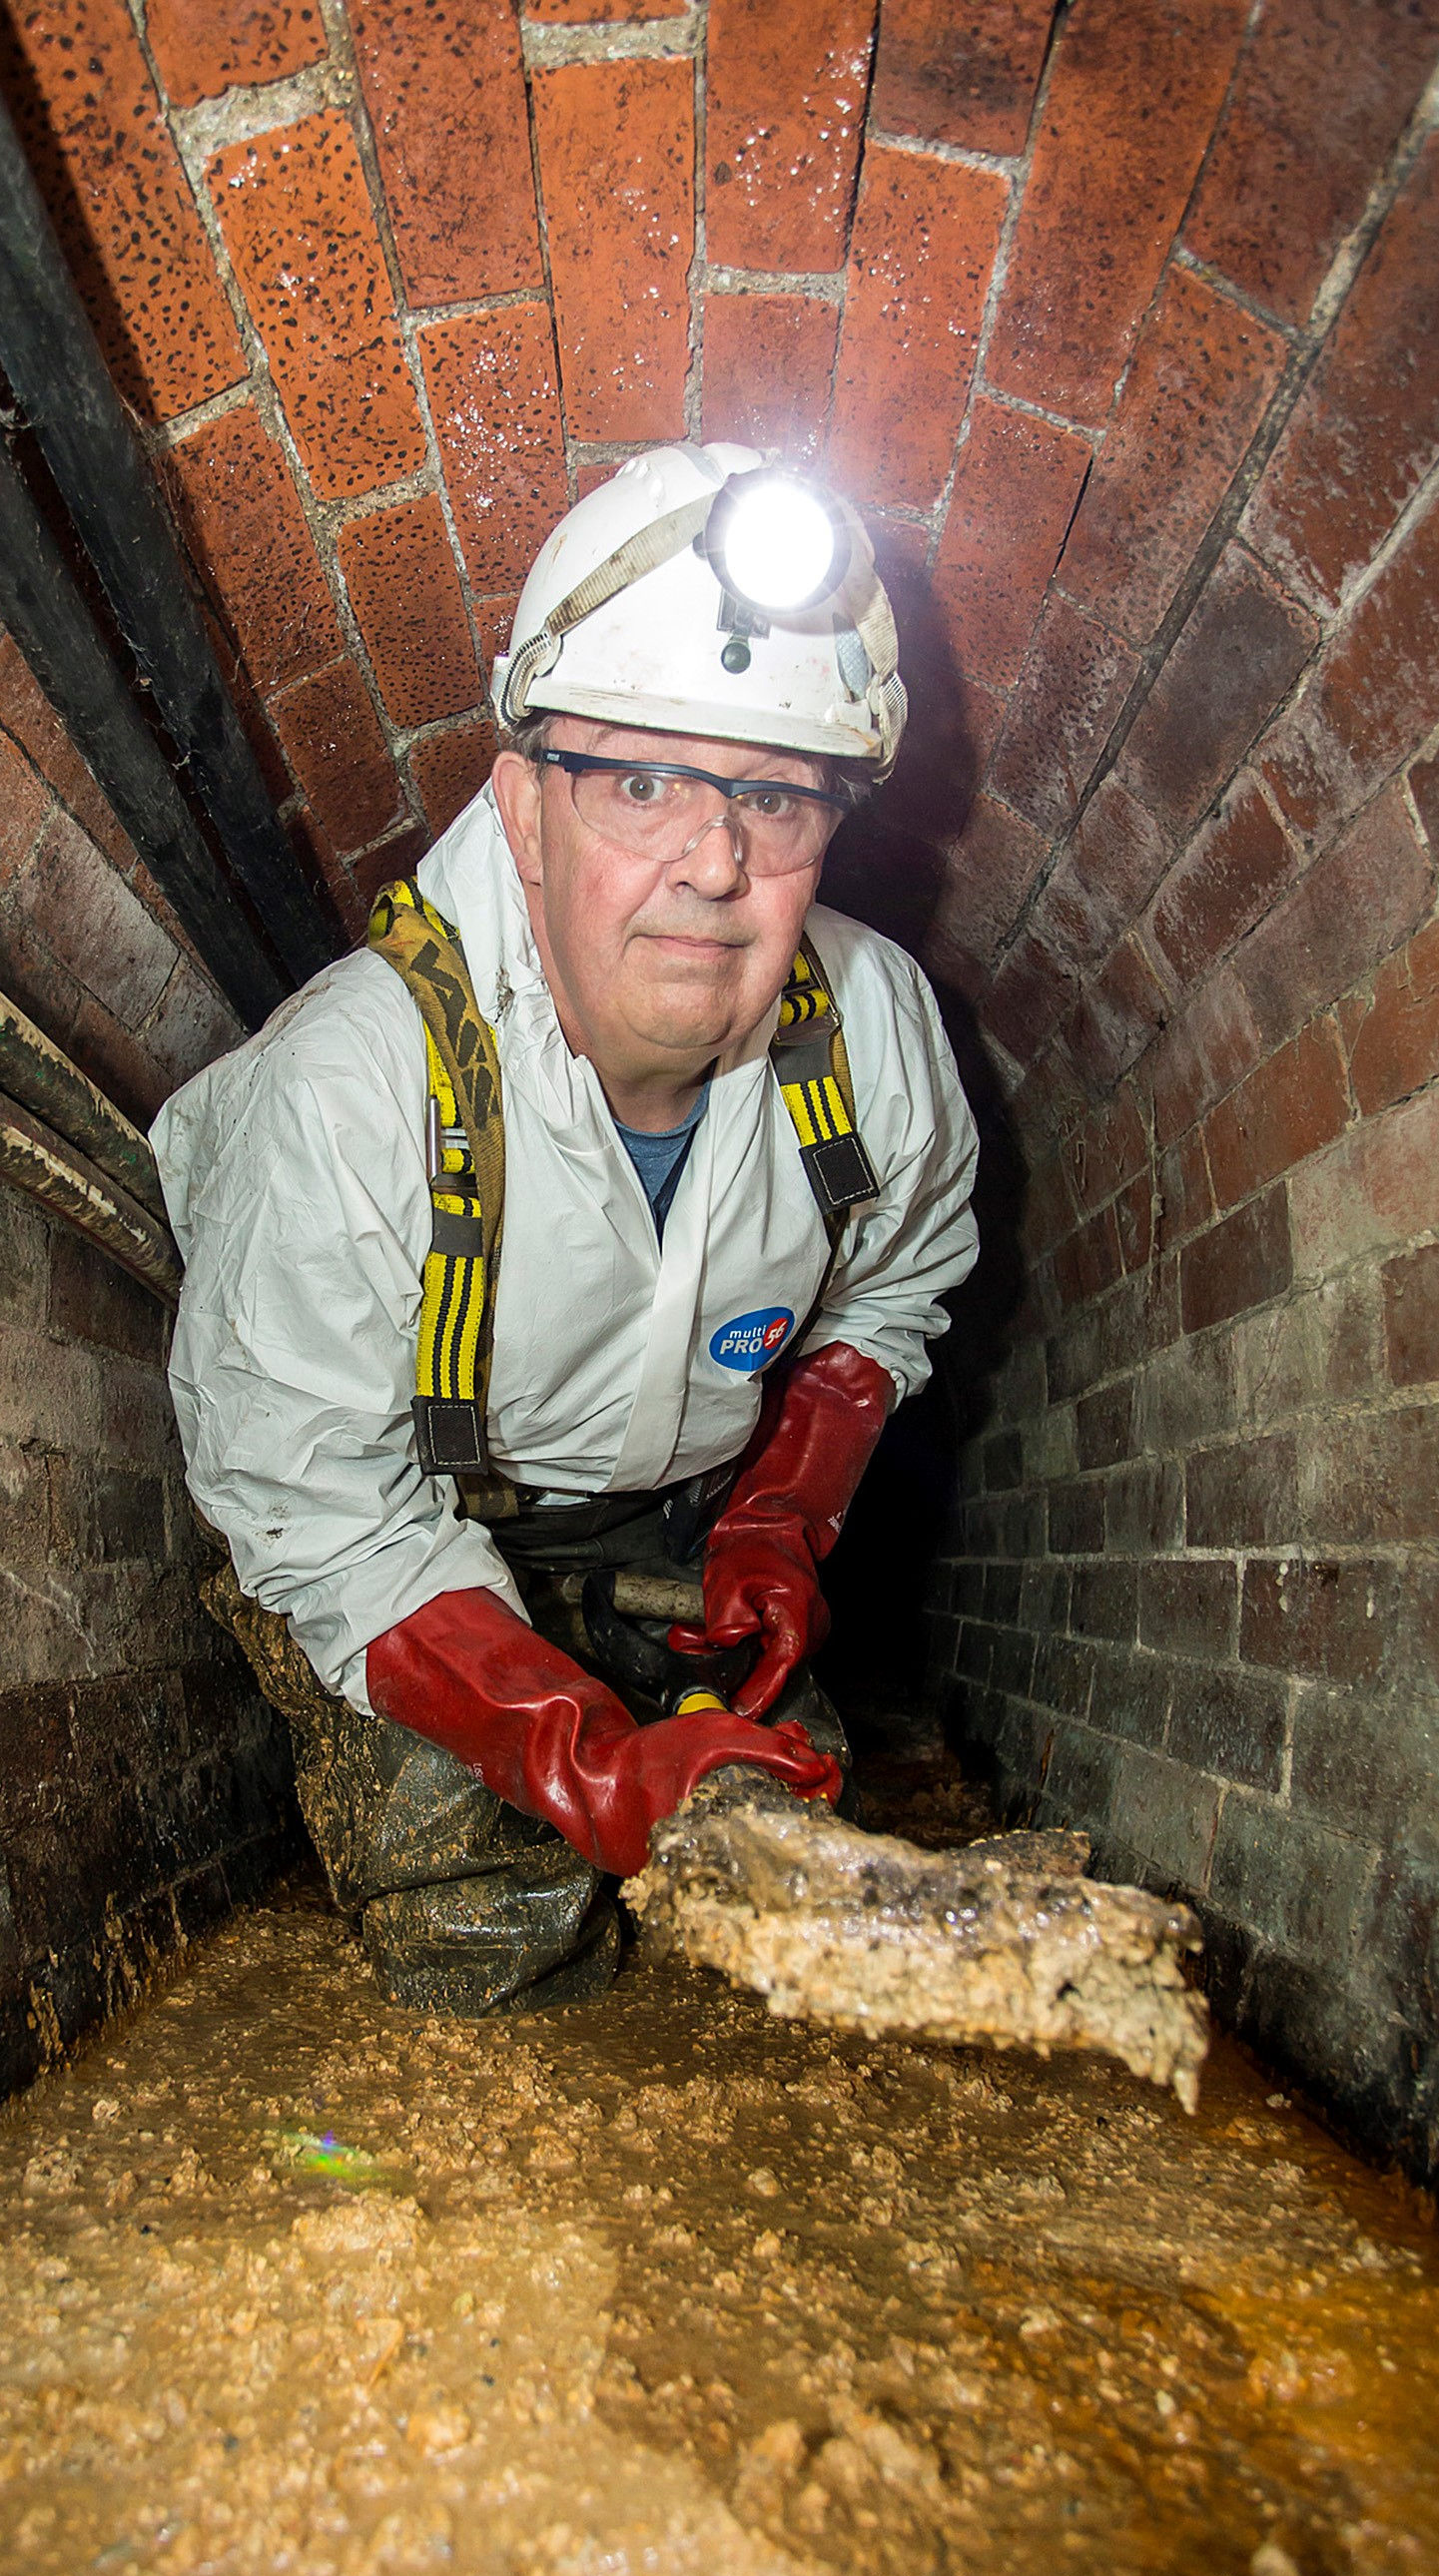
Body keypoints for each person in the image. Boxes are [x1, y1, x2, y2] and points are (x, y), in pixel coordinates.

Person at [152, 443, 981, 2014]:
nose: (715, 863)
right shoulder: (354, 1084)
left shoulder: (870, 1029)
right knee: (495, 1934)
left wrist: (774, 1525)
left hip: (670, 1521)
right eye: (644, 780)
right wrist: (578, 1753)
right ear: (524, 805)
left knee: (795, 1869)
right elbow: (314, 1505)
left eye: (775, 796)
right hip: (410, 1535)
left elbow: (901, 1279)